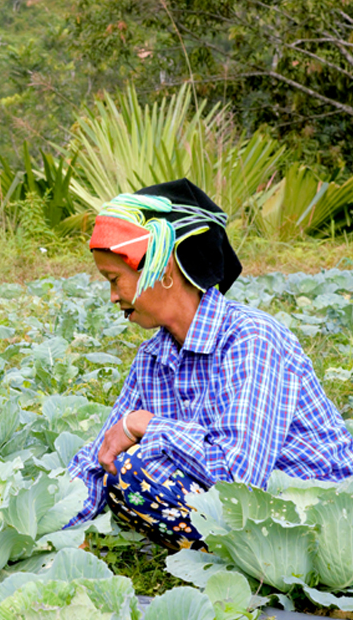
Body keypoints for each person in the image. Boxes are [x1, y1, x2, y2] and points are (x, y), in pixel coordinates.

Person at [66, 178, 353, 550]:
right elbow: (101, 457)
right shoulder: (153, 359)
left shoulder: (251, 338)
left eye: (114, 279)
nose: (112, 296)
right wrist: (43, 526)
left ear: (163, 268)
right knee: (123, 469)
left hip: (322, 519)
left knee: (137, 470)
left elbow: (237, 478)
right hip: (247, 520)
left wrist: (146, 425)